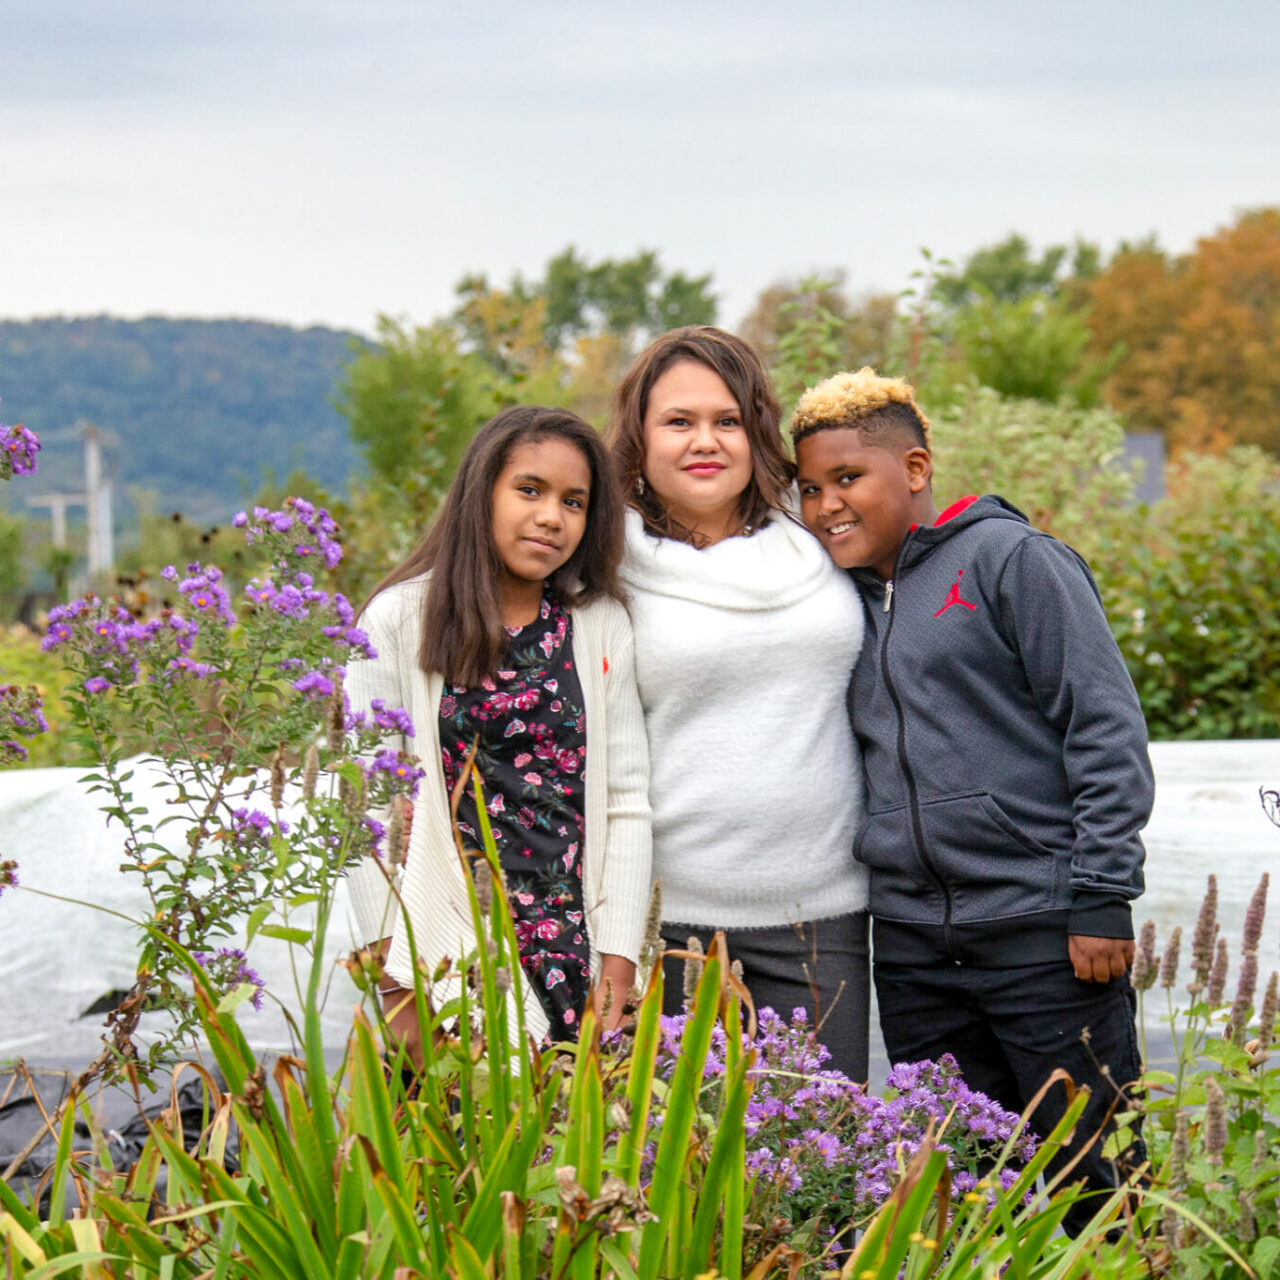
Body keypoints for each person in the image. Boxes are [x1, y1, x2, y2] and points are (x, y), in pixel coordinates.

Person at [791, 366, 1152, 1233]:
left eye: (848, 479)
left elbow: (1103, 726)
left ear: (914, 469)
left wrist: (1102, 892)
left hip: (1044, 934)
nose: (826, 504)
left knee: (1097, 1180)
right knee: (956, 1192)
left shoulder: (1012, 562)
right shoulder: (833, 599)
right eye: (808, 488)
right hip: (913, 946)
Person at [344, 405, 652, 1053]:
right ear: (481, 492)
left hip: (573, 946)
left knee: (578, 1149)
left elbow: (625, 800)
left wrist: (620, 953)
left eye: (574, 502)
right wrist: (391, 978)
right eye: (530, 490)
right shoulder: (399, 621)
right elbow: (363, 803)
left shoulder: (598, 625)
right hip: (443, 949)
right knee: (455, 1148)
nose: (551, 516)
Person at [609, 326, 870, 1081]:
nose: (706, 441)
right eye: (679, 422)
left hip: (822, 918)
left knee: (818, 1171)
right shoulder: (599, 563)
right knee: (673, 1174)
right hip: (669, 925)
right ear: (639, 435)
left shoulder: (820, 535)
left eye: (727, 420)